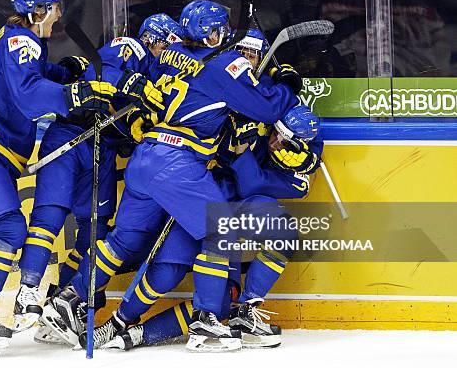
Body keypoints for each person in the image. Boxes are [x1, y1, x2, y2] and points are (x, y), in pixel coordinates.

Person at [40, 1, 301, 348]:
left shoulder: (171, 53)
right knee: (219, 231)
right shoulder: (223, 64)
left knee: (123, 240)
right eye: (220, 31)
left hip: (146, 158)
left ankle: (68, 298)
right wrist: (284, 83)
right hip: (178, 162)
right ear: (212, 34)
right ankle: (207, 320)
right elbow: (266, 107)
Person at [0, 0, 118, 348]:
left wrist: (64, 72)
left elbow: (29, 77)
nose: (58, 15)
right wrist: (76, 93)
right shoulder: (22, 40)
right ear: (40, 11)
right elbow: (29, 95)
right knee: (9, 228)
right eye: (55, 8)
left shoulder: (22, 40)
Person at [13, 13, 184, 335]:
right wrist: (135, 84)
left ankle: (60, 306)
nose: (170, 54)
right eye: (168, 46)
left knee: (94, 231)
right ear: (154, 39)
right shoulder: (129, 47)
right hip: (71, 135)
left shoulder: (159, 72)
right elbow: (98, 71)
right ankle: (29, 290)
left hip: (101, 149)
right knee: (49, 216)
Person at [105, 104, 323, 352]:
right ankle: (120, 320)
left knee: (279, 237)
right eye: (276, 135)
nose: (275, 144)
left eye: (285, 143)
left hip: (236, 207)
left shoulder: (299, 166)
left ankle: (244, 310)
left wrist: (305, 159)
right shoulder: (256, 112)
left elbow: (251, 185)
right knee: (166, 273)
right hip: (202, 200)